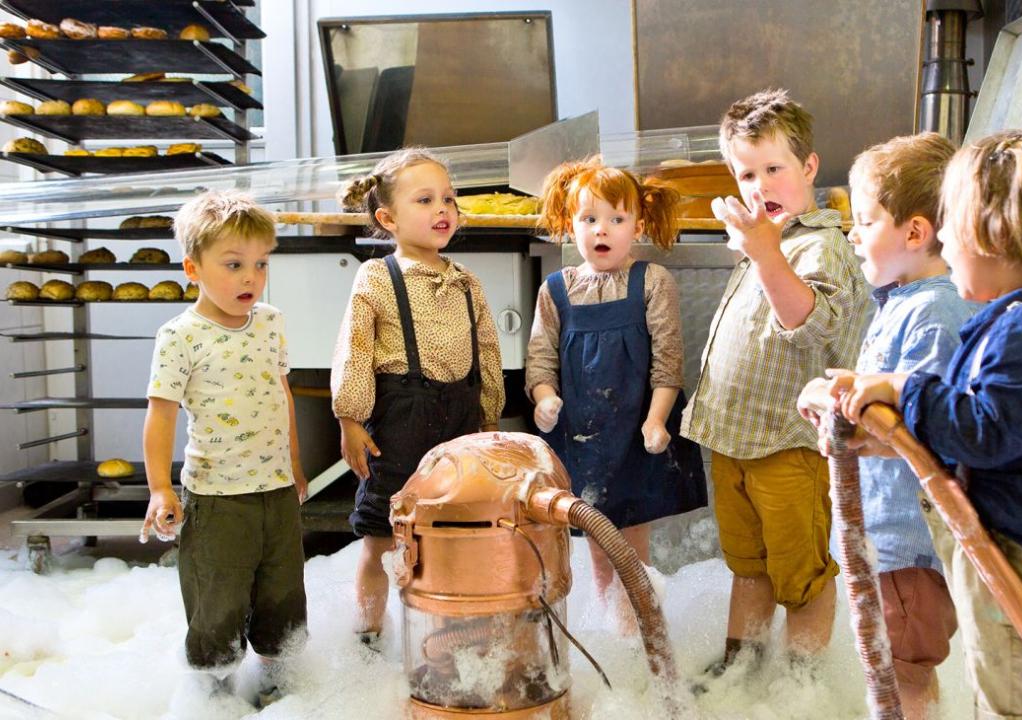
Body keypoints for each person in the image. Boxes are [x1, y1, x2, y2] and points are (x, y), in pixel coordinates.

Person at [835, 126, 1022, 719]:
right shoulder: (1018, 317)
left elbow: (983, 431)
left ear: (996, 236)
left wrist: (906, 386)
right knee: (1008, 699)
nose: (945, 244)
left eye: (951, 228)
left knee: (1016, 708)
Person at [681, 88, 867, 677]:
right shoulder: (765, 243)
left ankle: (801, 686)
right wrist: (761, 251)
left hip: (790, 447)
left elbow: (806, 324)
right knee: (748, 565)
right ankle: (742, 666)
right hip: (737, 442)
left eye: (774, 169)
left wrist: (765, 256)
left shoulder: (820, 245)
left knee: (803, 576)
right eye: (746, 173)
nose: (759, 186)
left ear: (809, 168)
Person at [800, 132, 976, 719]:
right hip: (888, 540)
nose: (852, 233)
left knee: (904, 674)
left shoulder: (935, 312)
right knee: (899, 671)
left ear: (915, 232)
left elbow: (925, 430)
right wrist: (841, 397)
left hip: (910, 547)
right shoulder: (904, 300)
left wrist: (842, 421)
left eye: (865, 220)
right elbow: (891, 401)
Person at [331, 147, 504, 646]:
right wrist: (350, 418)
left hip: (462, 421)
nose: (443, 209)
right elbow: (354, 349)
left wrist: (490, 415)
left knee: (454, 532)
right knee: (382, 535)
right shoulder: (377, 278)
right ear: (387, 218)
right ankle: (367, 635)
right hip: (400, 421)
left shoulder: (468, 283)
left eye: (449, 198)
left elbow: (487, 349)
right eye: (425, 200)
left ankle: (451, 632)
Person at [142, 190, 308, 705]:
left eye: (260, 264)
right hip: (216, 497)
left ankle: (284, 693)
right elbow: (161, 414)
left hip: (276, 492)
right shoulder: (180, 336)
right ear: (193, 268)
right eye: (233, 264)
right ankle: (212, 699)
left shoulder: (271, 322)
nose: (250, 278)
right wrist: (159, 489)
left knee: (282, 596)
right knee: (218, 600)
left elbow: (282, 396)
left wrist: (296, 466)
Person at [526, 157, 707, 621]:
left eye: (616, 219)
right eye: (589, 219)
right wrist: (544, 397)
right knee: (594, 537)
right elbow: (540, 358)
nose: (601, 230)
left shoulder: (652, 282)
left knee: (630, 543)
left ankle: (638, 631)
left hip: (635, 433)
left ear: (638, 226)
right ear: (571, 225)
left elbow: (669, 363)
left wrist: (656, 418)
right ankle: (613, 628)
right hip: (581, 434)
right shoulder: (556, 289)